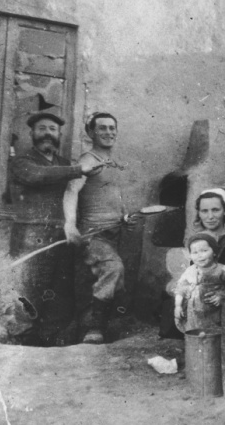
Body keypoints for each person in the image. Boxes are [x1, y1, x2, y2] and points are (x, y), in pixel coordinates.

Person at [9, 112, 102, 345]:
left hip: (61, 235)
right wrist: (78, 169)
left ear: (59, 134)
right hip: (31, 234)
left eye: (52, 129)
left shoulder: (63, 163)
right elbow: (37, 176)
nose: (47, 134)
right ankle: (23, 341)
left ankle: (49, 340)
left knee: (59, 291)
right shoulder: (22, 162)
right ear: (32, 133)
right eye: (41, 129)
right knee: (29, 290)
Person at [63, 112, 139, 344]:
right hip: (94, 234)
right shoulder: (87, 160)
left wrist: (124, 216)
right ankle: (93, 329)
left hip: (117, 232)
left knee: (119, 280)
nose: (109, 132)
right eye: (102, 128)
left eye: (112, 128)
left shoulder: (112, 163)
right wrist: (69, 223)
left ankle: (103, 328)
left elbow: (110, 196)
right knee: (113, 268)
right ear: (91, 133)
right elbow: (71, 190)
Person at [171, 233, 225, 333]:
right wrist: (178, 306)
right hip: (193, 311)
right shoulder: (190, 271)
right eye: (195, 252)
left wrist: (222, 296)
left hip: (214, 310)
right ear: (190, 256)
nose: (199, 255)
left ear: (214, 252)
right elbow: (180, 289)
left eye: (204, 251)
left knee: (215, 333)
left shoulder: (221, 270)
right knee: (194, 332)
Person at [191, 188, 225, 264]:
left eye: (215, 210)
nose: (210, 216)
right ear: (199, 213)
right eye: (204, 211)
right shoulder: (197, 238)